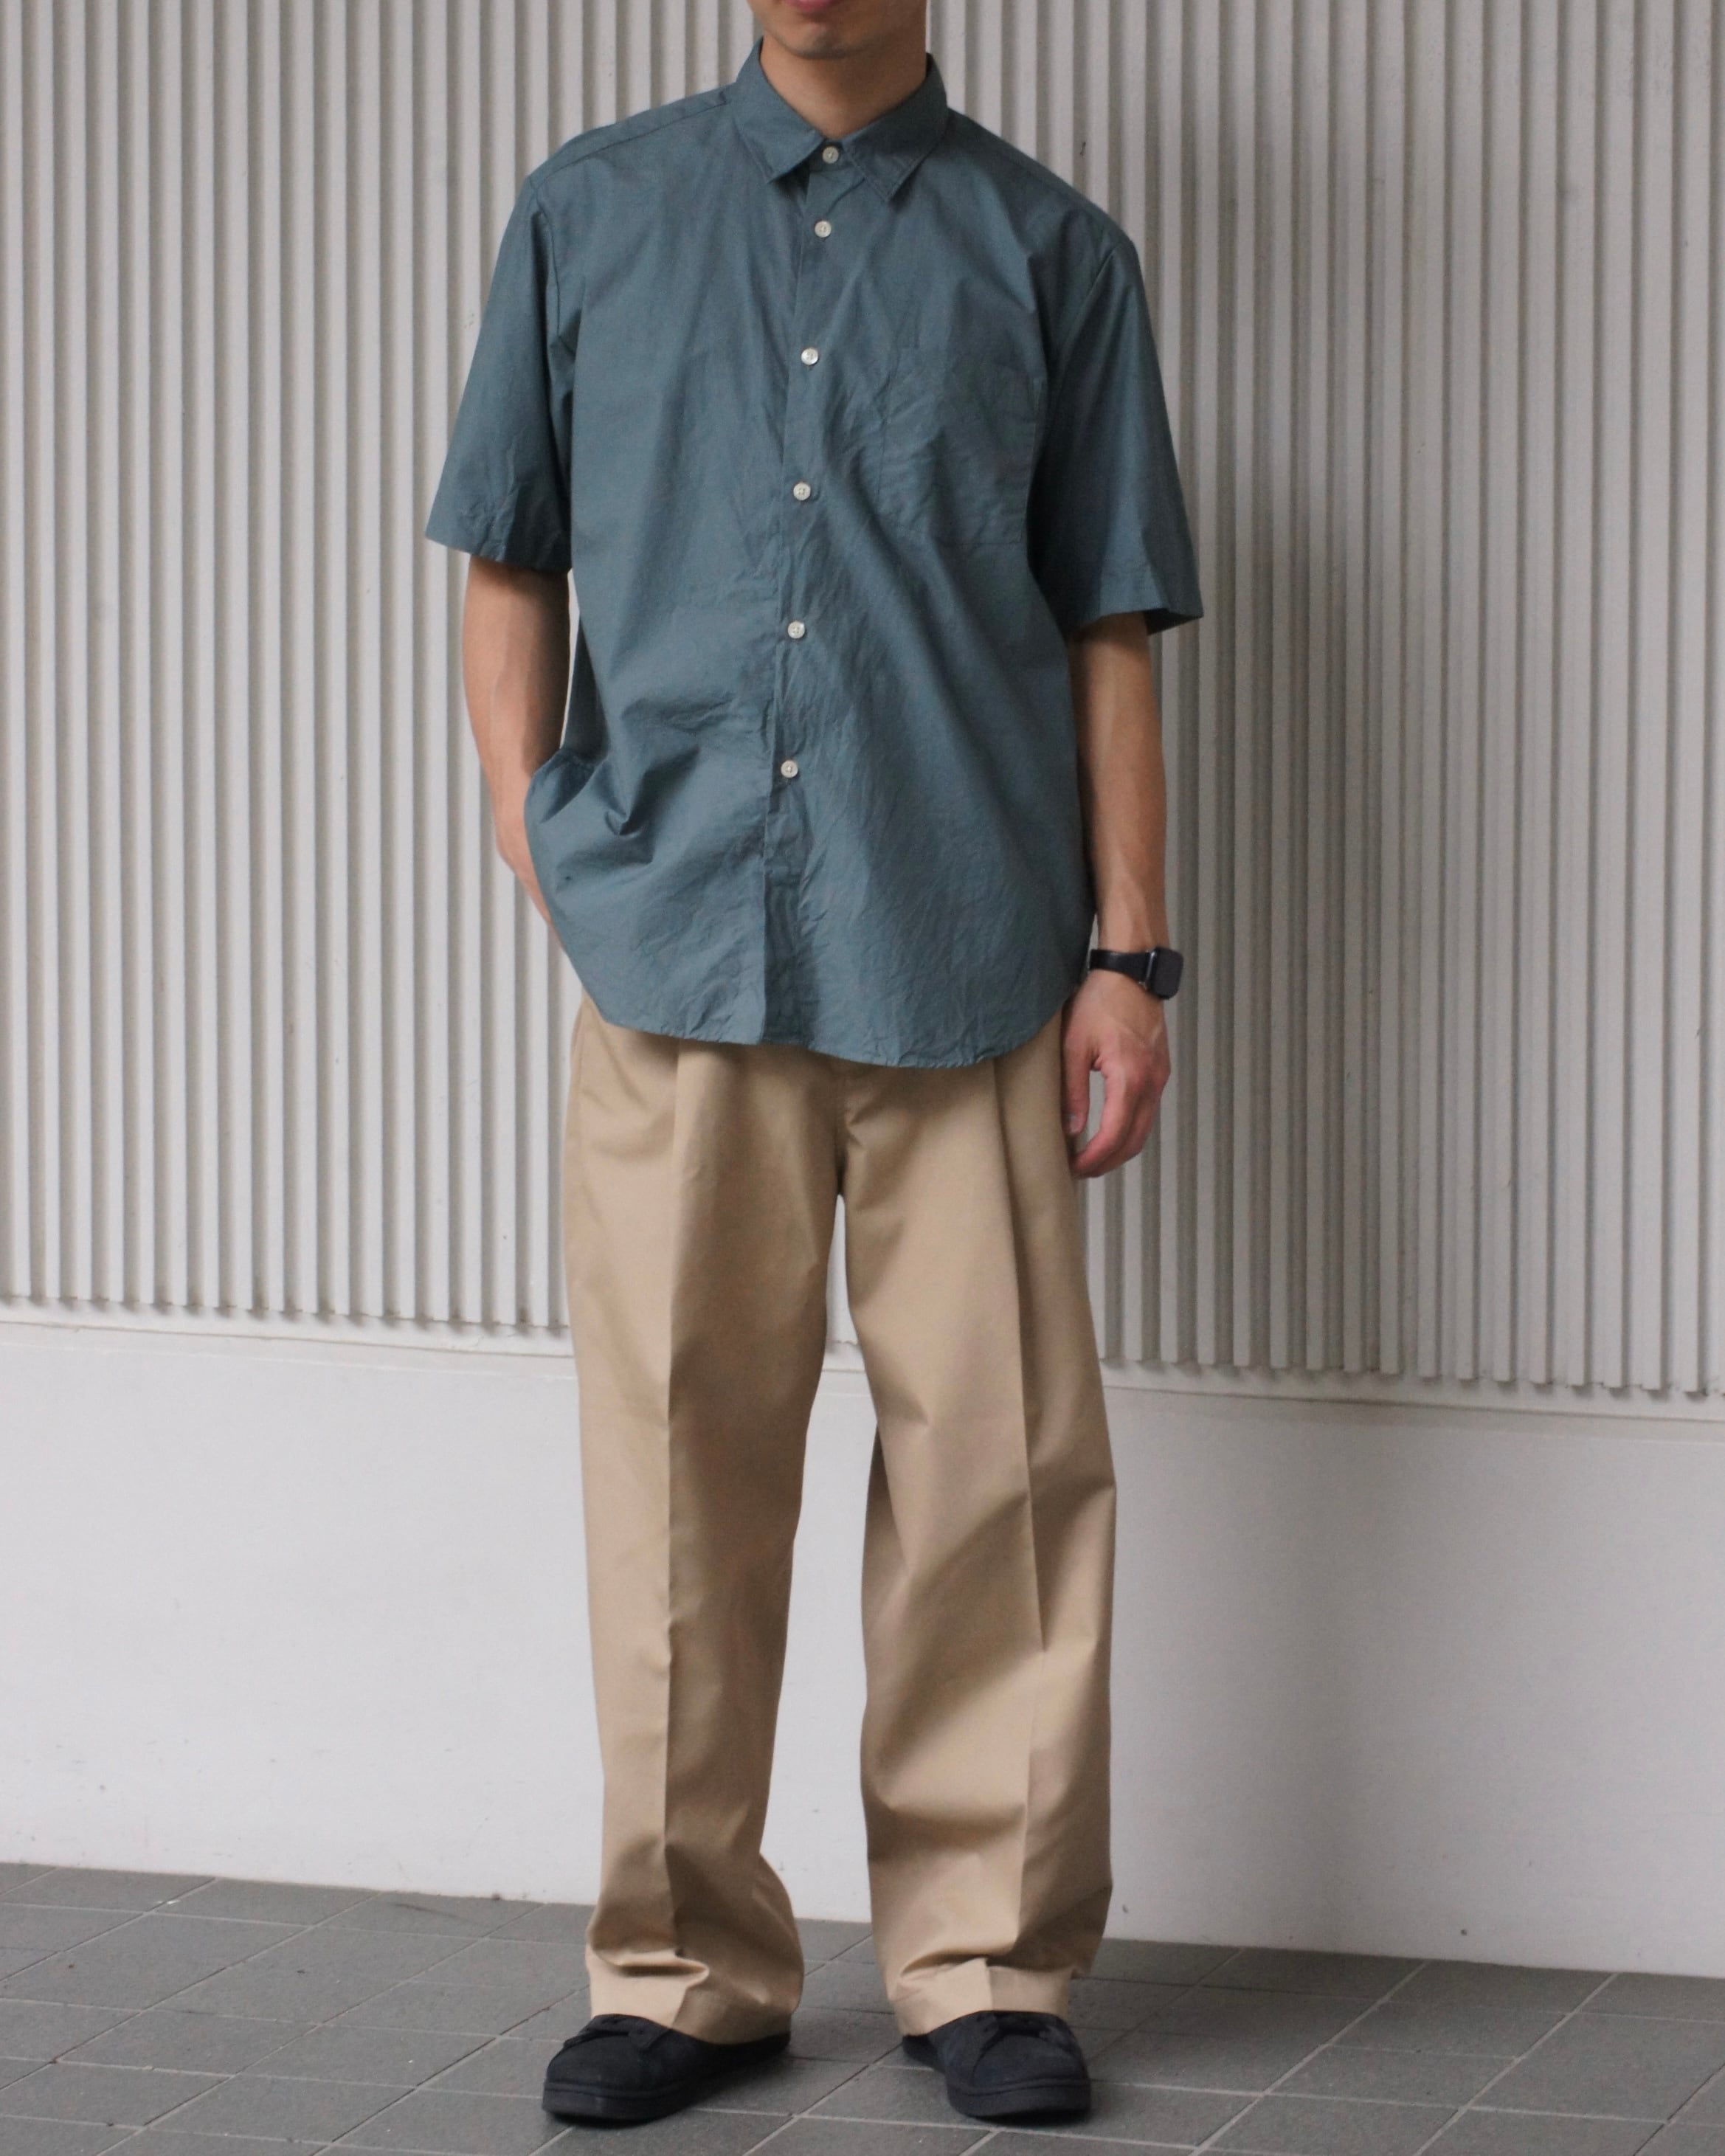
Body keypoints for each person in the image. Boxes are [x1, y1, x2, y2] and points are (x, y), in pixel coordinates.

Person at [425, 0, 1201, 2127]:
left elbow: (1106, 622)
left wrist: (1128, 954)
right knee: (676, 1466)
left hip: (970, 942)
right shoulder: (589, 214)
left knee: (998, 1477)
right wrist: (540, 836)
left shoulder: (1054, 253)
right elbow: (507, 549)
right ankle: (681, 1965)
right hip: (676, 951)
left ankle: (986, 1959)